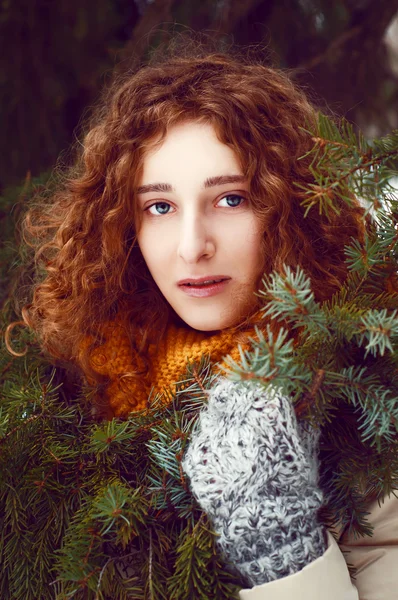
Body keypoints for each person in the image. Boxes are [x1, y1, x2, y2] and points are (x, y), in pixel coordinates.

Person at [6, 34, 398, 598]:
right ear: (124, 225)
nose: (192, 247)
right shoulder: (82, 384)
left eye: (231, 199)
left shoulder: (370, 401)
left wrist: (276, 546)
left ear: (290, 206)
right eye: (159, 207)